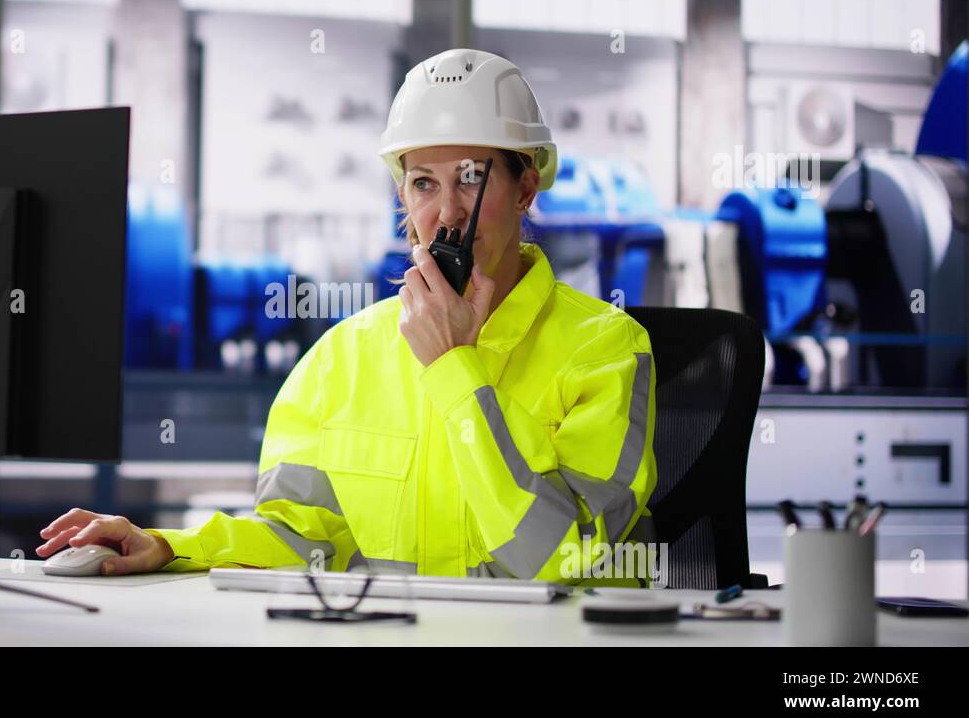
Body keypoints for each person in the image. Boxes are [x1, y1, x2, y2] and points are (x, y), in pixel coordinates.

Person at [37, 48, 658, 585]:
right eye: (423, 184)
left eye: (471, 179)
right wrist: (173, 546)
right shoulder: (344, 357)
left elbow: (568, 562)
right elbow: (302, 541)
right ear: (402, 199)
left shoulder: (604, 351)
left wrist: (456, 370)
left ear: (525, 189)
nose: (446, 213)